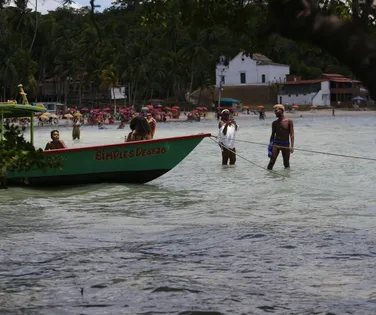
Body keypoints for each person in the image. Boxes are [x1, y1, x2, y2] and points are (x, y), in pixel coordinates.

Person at [267, 104, 294, 170]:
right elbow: (272, 135)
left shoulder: (289, 121)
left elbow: (292, 134)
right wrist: (270, 146)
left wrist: (292, 146)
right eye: (274, 111)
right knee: (272, 161)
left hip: (285, 144)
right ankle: (268, 177)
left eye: (276, 111)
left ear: (281, 110)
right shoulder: (274, 123)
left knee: (286, 164)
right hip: (276, 144)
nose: (275, 112)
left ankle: (286, 178)